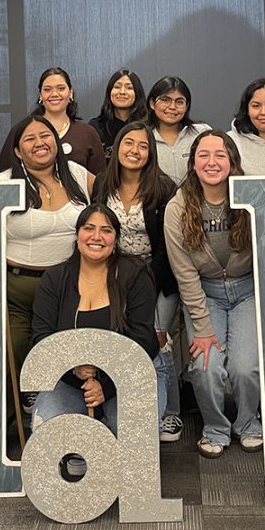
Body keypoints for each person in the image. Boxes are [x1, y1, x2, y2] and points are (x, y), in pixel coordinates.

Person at [32, 204, 160, 476]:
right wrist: (74, 370)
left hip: (128, 378)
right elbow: (41, 339)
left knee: (131, 438)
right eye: (89, 228)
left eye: (106, 230)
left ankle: (105, 438)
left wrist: (107, 386)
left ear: (115, 239)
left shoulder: (134, 274)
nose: (96, 236)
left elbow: (144, 340)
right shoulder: (55, 279)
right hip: (69, 381)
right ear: (77, 235)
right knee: (48, 428)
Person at [165, 131, 261, 459]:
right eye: (203, 155)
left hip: (248, 292)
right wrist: (203, 327)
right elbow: (185, 274)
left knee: (245, 368)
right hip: (205, 295)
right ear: (193, 163)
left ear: (232, 161)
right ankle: (216, 429)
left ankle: (249, 424)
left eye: (220, 155)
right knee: (205, 366)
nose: (211, 162)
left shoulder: (251, 197)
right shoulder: (177, 207)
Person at [0, 115, 93, 408]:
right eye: (30, 139)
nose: (40, 143)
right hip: (16, 288)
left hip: (68, 288)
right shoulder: (1, 183)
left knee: (67, 356)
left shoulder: (77, 174)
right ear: (17, 150)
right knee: (16, 354)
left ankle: (61, 414)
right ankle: (13, 427)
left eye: (45, 136)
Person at [92, 122, 181, 441]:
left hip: (157, 272)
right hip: (114, 273)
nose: (135, 150)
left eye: (143, 146)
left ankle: (171, 413)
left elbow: (167, 245)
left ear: (150, 152)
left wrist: (147, 285)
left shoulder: (163, 187)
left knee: (158, 339)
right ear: (117, 148)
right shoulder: (103, 183)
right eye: (128, 143)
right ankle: (123, 405)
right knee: (120, 338)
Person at [0, 67, 106, 175]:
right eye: (47, 89)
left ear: (71, 93)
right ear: (40, 95)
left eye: (61, 88)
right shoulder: (22, 131)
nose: (54, 94)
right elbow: (6, 177)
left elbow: (99, 181)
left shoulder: (87, 133)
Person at [145, 75, 211, 184]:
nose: (172, 107)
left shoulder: (201, 133)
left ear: (187, 106)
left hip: (195, 200)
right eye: (165, 100)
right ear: (152, 103)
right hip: (156, 200)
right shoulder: (142, 136)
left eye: (179, 102)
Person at [88, 69, 145, 161]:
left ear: (137, 93)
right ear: (109, 92)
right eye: (117, 87)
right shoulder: (96, 127)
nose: (122, 92)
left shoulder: (146, 125)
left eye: (129, 88)